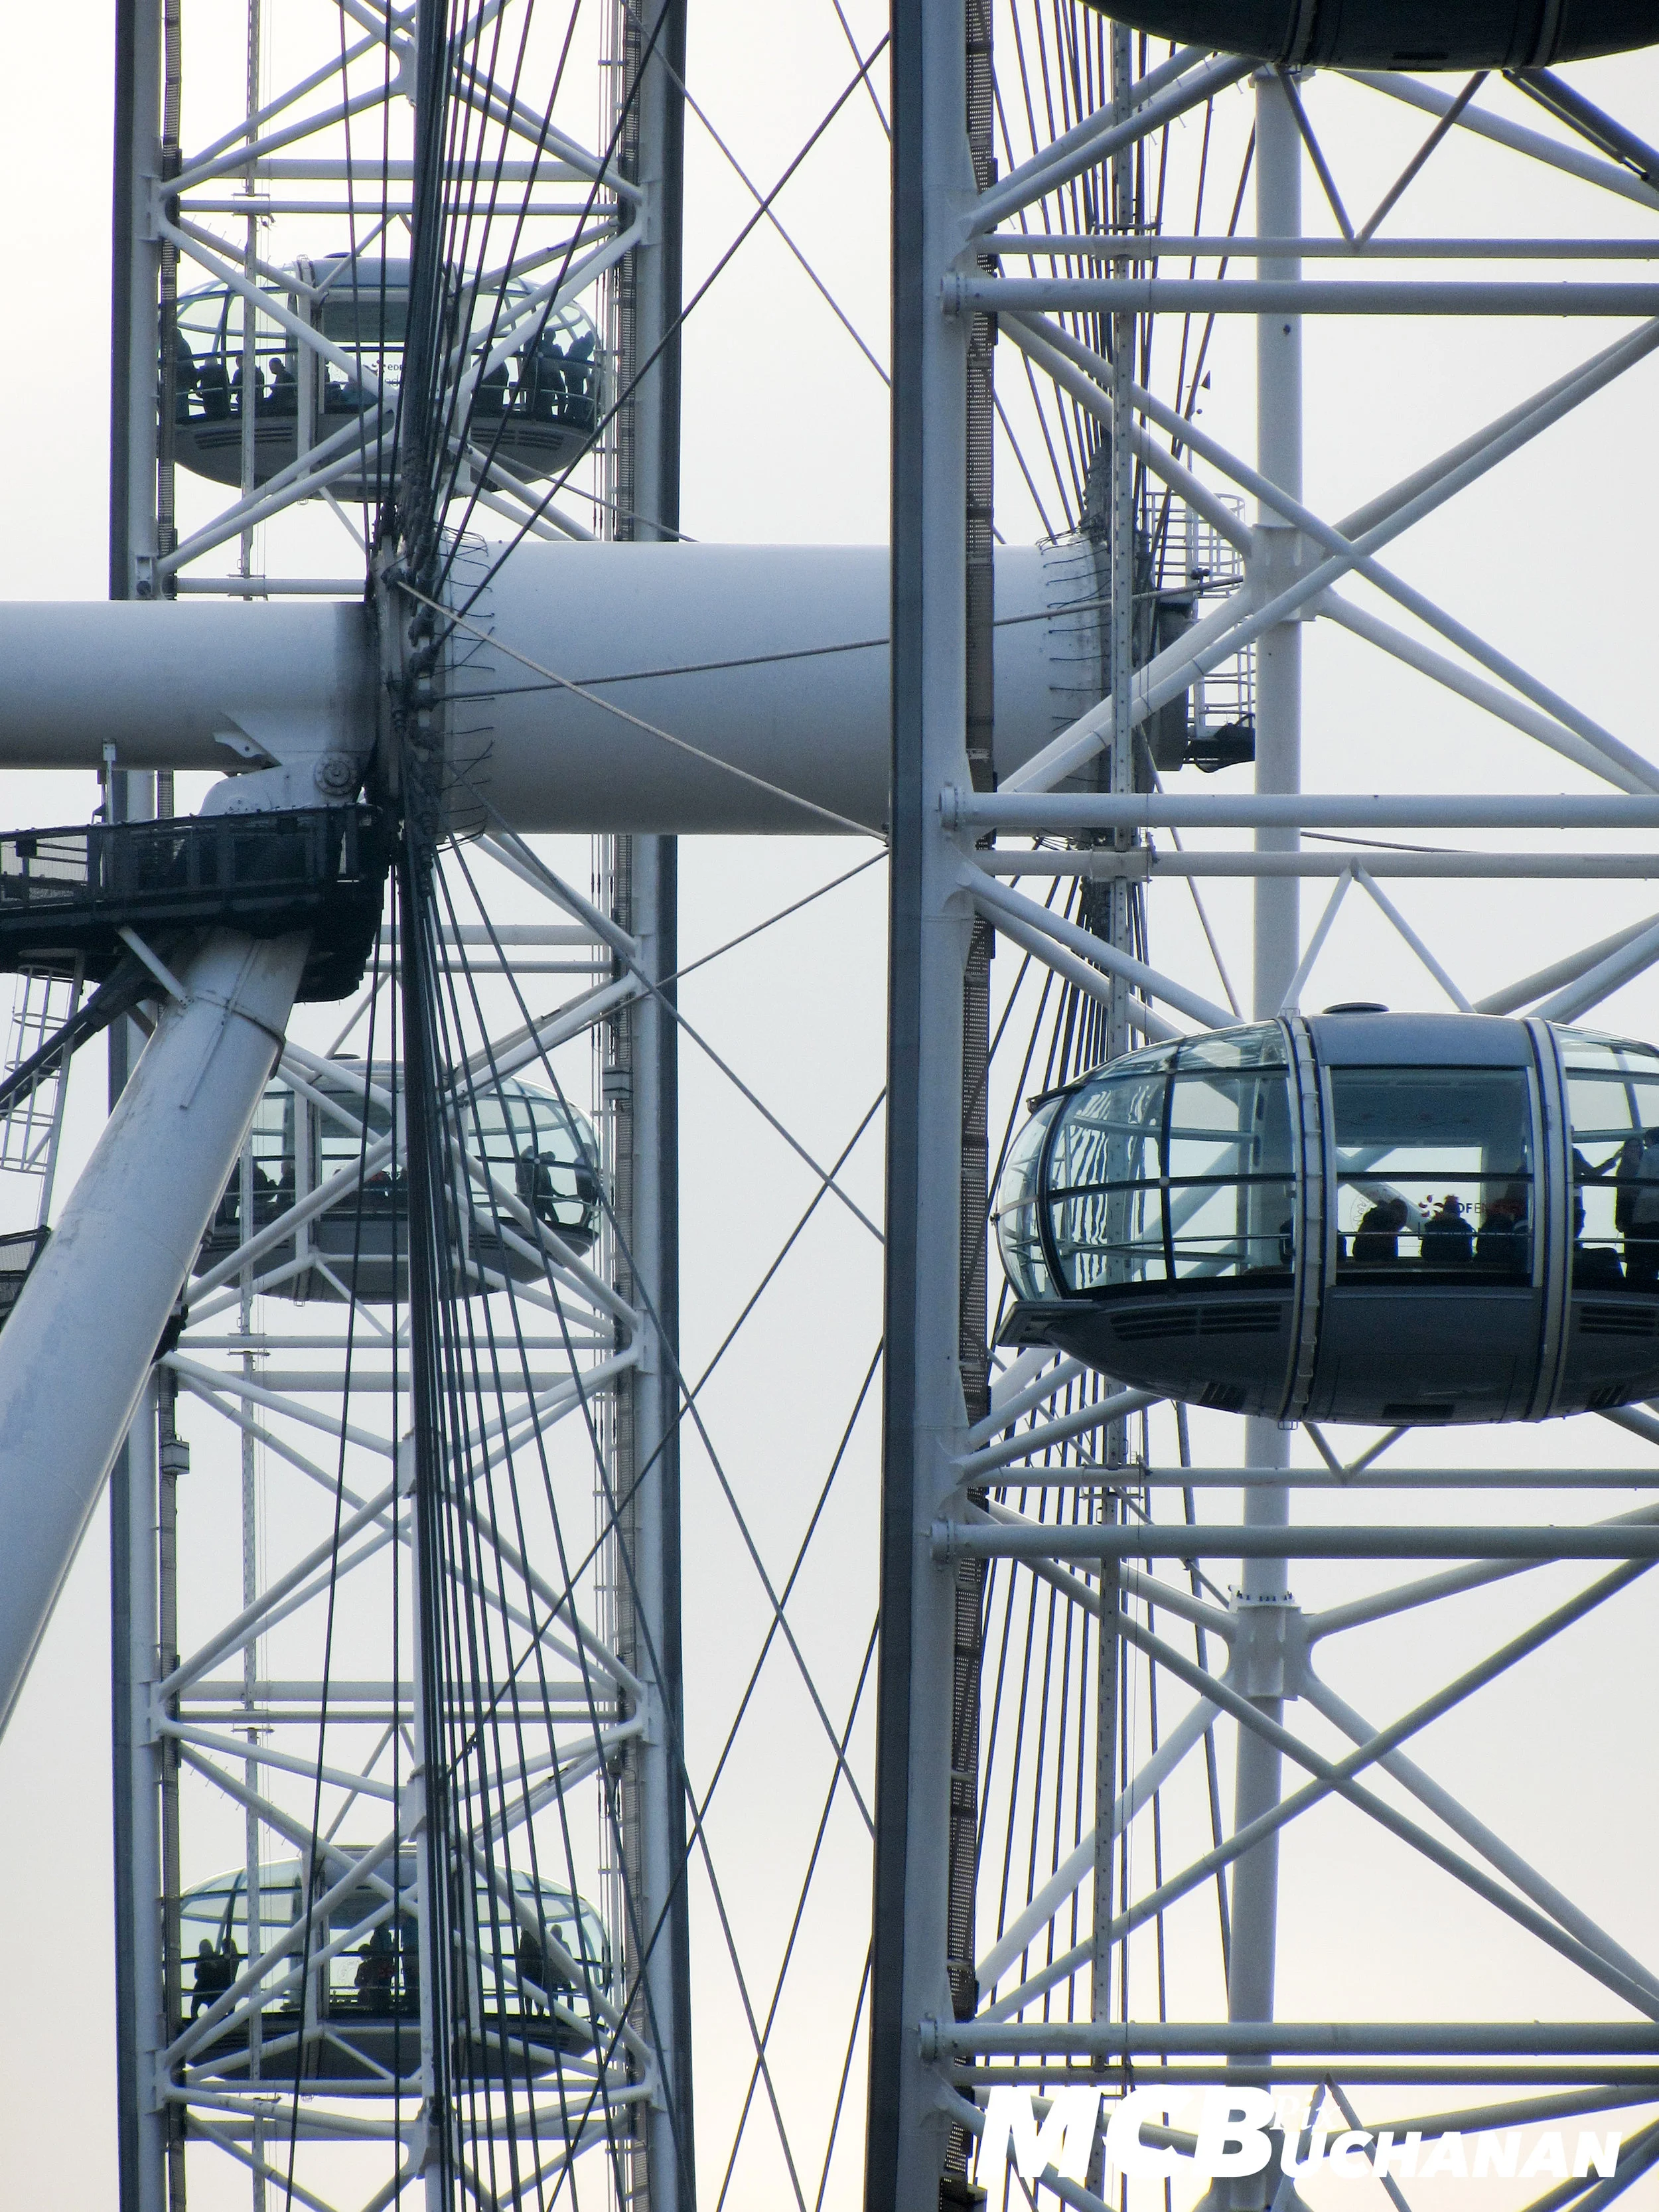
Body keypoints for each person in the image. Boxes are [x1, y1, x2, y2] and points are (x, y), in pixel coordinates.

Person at [1615, 1126, 1659, 1290]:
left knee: (1642, 1252)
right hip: (1638, 1213)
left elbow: (1639, 1181)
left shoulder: (1648, 1156)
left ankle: (1639, 1284)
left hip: (1643, 1211)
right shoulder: (1627, 1167)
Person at [1475, 1181, 1529, 1274]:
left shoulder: (1488, 1224)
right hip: (1504, 1266)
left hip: (1483, 1264)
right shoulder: (1510, 1225)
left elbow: (1479, 1246)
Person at [1352, 1194, 1408, 1264]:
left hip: (1362, 1260)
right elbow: (1388, 1257)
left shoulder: (1373, 1219)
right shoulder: (1390, 1224)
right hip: (1378, 1263)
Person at [1420, 1193, 1474, 1264]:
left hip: (1434, 1265)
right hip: (1458, 1266)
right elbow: (1467, 1254)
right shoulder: (1465, 1228)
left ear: (1444, 1209)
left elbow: (1425, 1252)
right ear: (1458, 1211)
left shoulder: (1432, 1226)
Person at [356, 1922, 396, 2017]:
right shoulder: (374, 1965)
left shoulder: (364, 1966)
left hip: (374, 1994)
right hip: (380, 1992)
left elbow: (357, 1982)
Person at [516, 1923, 547, 2014]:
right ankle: (540, 2013)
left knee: (529, 1994)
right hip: (537, 1969)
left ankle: (529, 2013)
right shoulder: (536, 1937)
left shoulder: (525, 1938)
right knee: (539, 1993)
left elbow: (522, 1954)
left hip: (528, 1970)